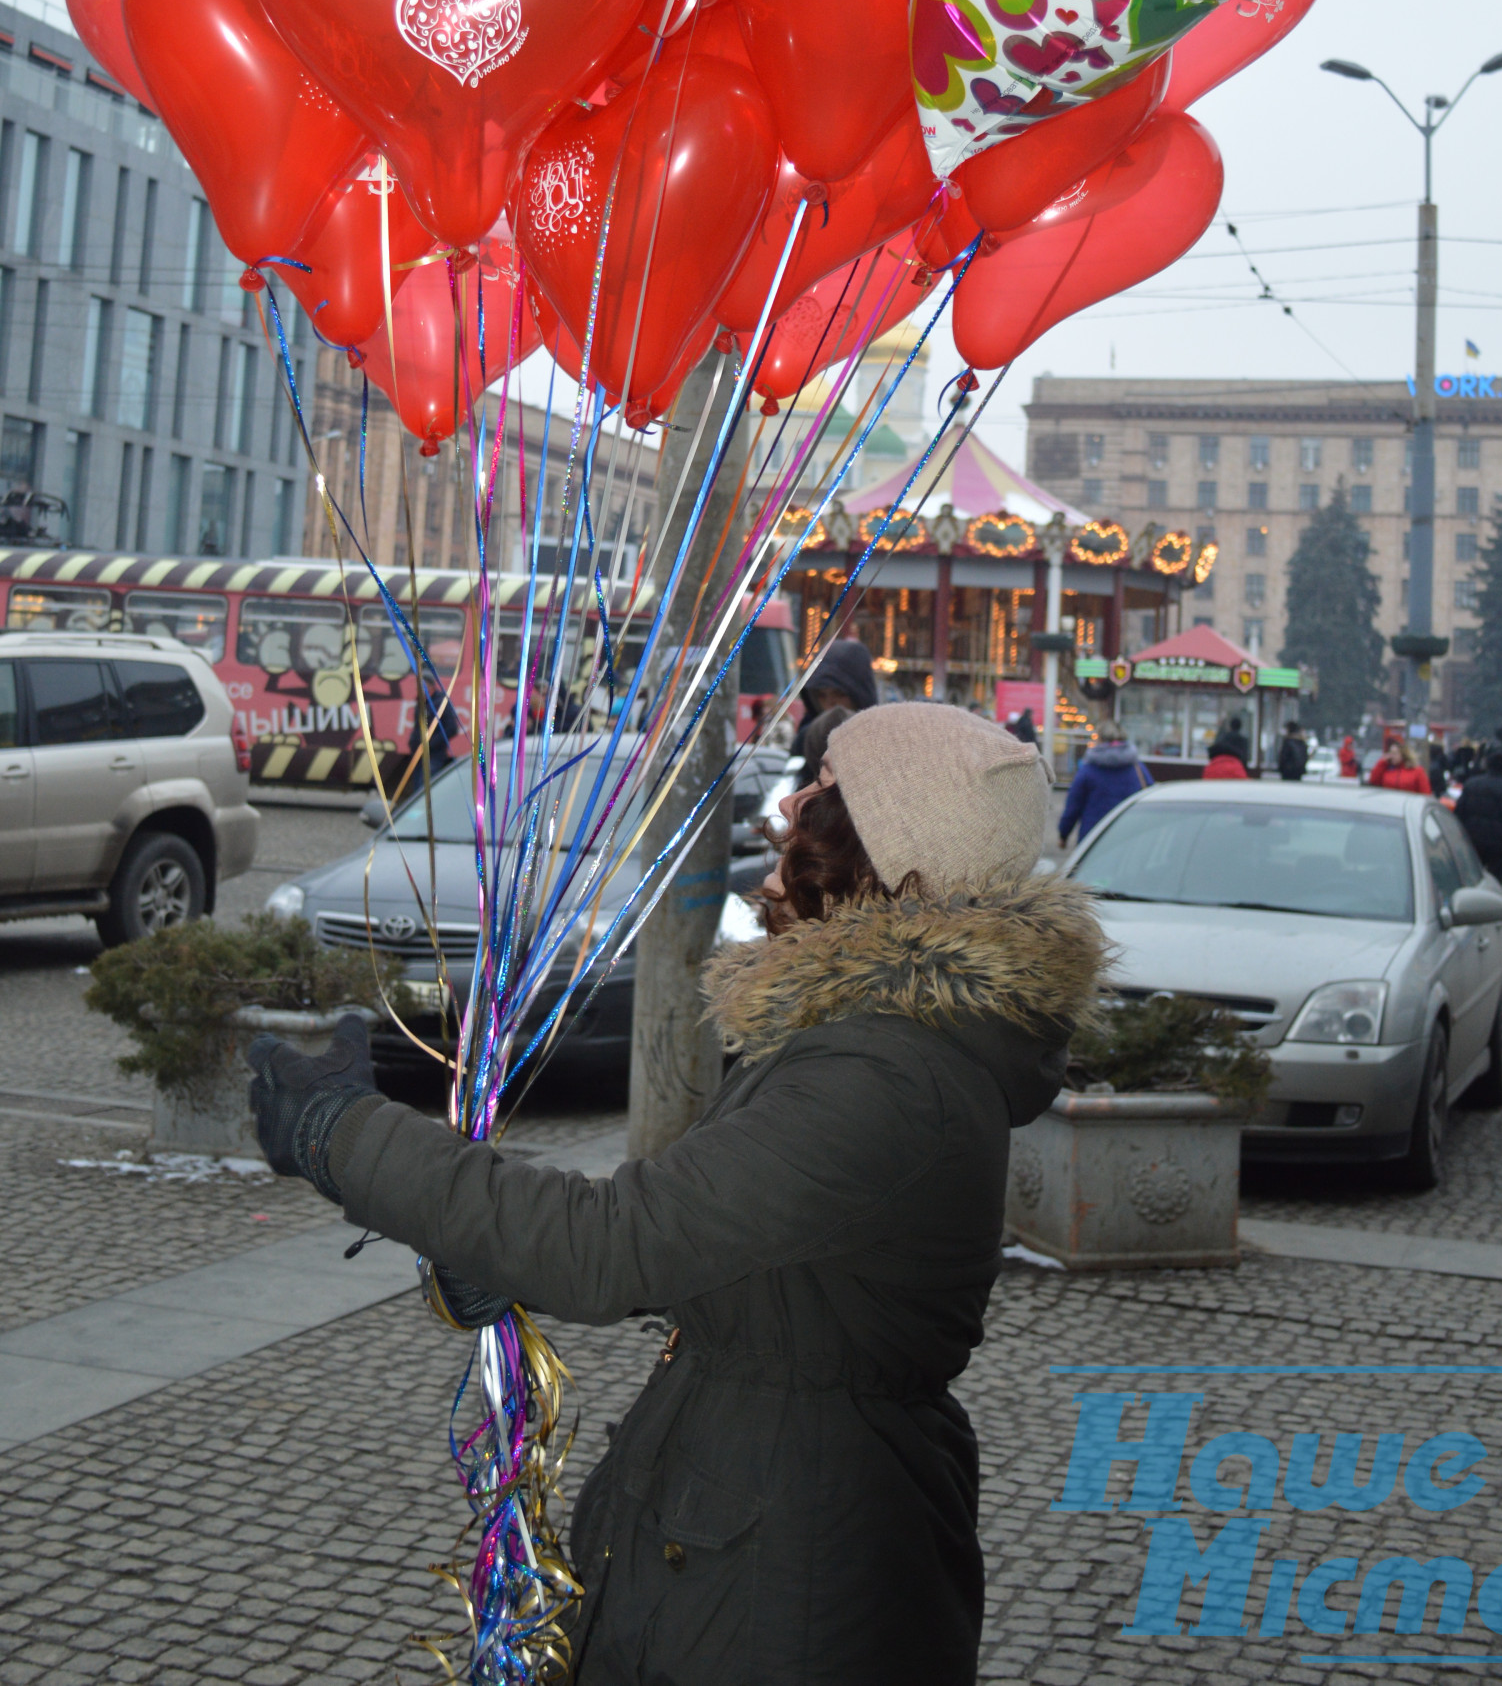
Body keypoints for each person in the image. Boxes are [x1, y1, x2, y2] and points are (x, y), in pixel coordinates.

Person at [245, 705, 1106, 1686]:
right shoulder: (879, 1039)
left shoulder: (887, 1071)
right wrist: (497, 1252)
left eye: (825, 786)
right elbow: (753, 1247)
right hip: (756, 1513)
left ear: (883, 850)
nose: (790, 802)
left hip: (788, 1560)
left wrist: (341, 1132)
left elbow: (619, 1241)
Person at [793, 636, 878, 782]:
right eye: (821, 695)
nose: (830, 703)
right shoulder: (805, 738)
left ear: (860, 693)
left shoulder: (878, 737)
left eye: (840, 694)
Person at [1058, 727, 1151, 846]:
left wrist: (1063, 834)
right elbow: (1150, 797)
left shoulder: (1088, 770)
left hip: (1093, 837)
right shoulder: (1138, 769)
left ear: (1100, 740)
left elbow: (1073, 805)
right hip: (1130, 837)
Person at [1454, 747, 1502, 884]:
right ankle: (1492, 900)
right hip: (1498, 843)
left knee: (1472, 875)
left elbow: (1459, 811)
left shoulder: (1472, 785)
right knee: (1495, 878)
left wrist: (1458, 835)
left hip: (1473, 838)